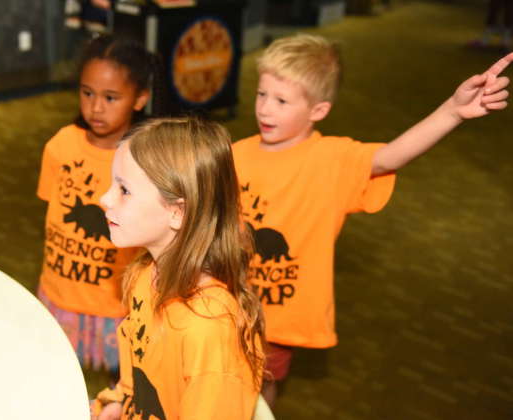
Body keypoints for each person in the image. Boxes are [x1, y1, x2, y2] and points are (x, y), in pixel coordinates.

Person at [233, 33, 512, 405]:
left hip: (280, 314)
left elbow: (390, 157)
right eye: (261, 95)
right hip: (227, 297)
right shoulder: (235, 154)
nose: (265, 109)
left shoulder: (333, 159)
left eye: (282, 101)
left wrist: (452, 111)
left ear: (318, 111)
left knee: (259, 382)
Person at [92, 117, 267, 420]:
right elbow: (138, 375)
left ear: (177, 212)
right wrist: (119, 402)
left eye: (124, 190)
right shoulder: (144, 276)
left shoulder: (209, 331)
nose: (104, 198)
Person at [36, 34, 167, 377]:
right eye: (87, 93)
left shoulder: (144, 160)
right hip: (60, 292)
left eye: (111, 97)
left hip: (117, 303)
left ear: (140, 98)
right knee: (57, 375)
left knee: (126, 382)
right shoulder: (61, 145)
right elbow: (55, 216)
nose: (96, 107)